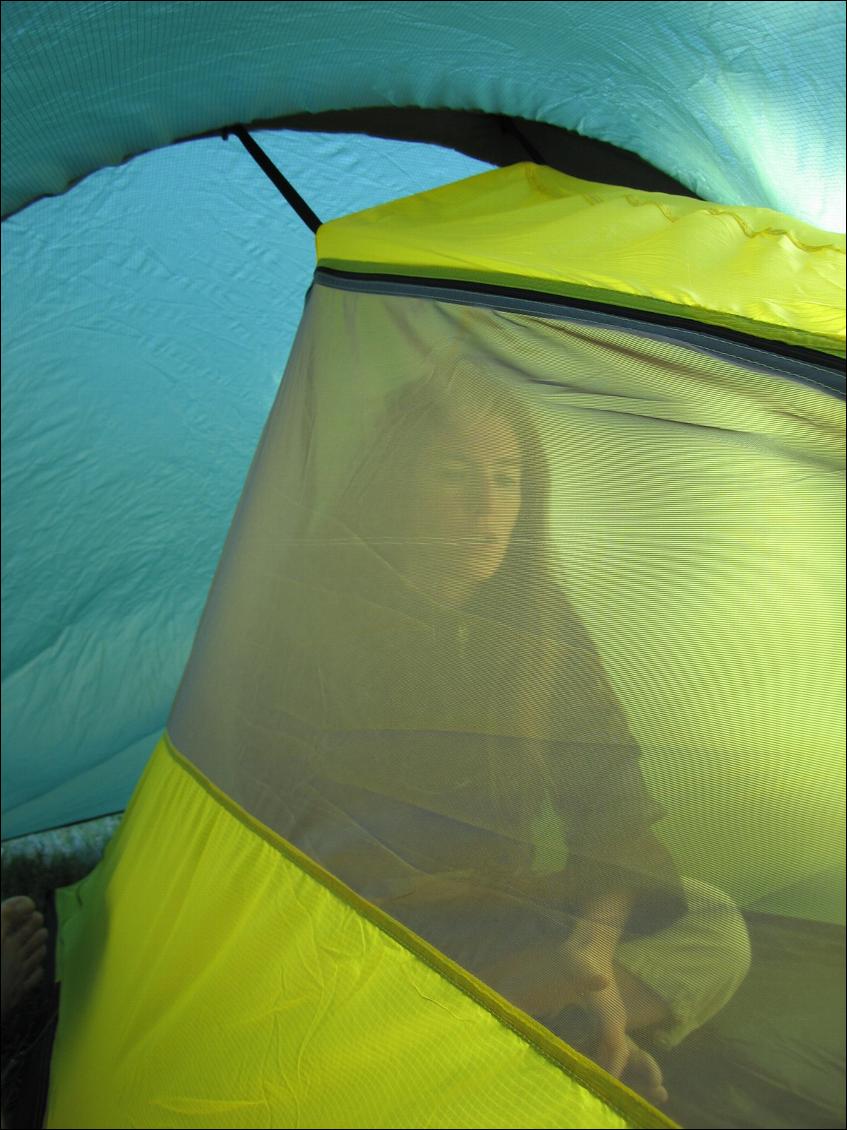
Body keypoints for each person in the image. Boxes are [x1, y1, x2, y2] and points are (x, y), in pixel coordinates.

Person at [261, 356, 751, 1104]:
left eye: (508, 481)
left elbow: (609, 787)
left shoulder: (535, 616)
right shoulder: (316, 622)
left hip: (506, 920)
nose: (486, 508)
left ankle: (531, 1021)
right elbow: (295, 834)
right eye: (454, 475)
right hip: (371, 935)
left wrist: (592, 946)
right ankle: (533, 1028)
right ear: (395, 485)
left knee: (715, 922)